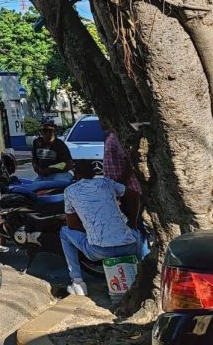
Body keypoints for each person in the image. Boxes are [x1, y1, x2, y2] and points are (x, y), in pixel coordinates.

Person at [60, 158, 140, 296]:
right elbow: (134, 195)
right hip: (129, 246)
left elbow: (72, 225)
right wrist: (133, 220)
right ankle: (143, 268)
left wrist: (91, 229)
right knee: (138, 234)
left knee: (64, 232)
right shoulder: (106, 183)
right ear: (93, 173)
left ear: (76, 174)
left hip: (99, 250)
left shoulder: (70, 191)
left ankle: (77, 282)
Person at [101, 118, 142, 224]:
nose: (100, 123)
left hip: (126, 187)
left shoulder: (116, 137)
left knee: (133, 222)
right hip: (117, 187)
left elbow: (129, 161)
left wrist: (121, 182)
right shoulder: (110, 136)